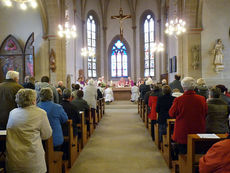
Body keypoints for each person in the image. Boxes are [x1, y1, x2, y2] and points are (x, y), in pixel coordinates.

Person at [6, 89, 52, 173]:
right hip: (32, 161)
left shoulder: (12, 113)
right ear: (33, 100)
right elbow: (46, 135)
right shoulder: (40, 113)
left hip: (14, 160)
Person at [169, 77, 207, 154]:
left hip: (183, 131)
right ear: (194, 87)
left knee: (183, 154)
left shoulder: (179, 100)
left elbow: (171, 113)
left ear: (183, 87)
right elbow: (205, 113)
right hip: (198, 130)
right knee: (197, 153)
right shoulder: (202, 99)